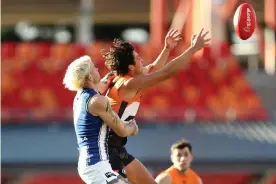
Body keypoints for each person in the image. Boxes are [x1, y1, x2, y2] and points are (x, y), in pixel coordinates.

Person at [100, 28, 211, 184]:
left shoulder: (127, 80)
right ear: (131, 67)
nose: (142, 60)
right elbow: (165, 73)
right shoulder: (130, 84)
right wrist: (193, 49)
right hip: (108, 151)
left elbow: (154, 69)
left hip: (117, 148)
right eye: (138, 58)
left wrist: (167, 49)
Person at [62, 55, 139, 184]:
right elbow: (121, 130)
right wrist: (133, 129)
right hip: (95, 165)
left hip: (92, 164)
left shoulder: (82, 96)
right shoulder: (98, 101)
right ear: (90, 77)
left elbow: (107, 80)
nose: (97, 68)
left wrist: (120, 69)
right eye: (93, 67)